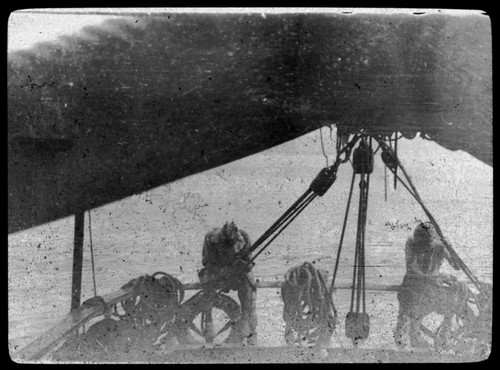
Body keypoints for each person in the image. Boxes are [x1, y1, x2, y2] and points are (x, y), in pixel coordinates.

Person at [198, 221, 258, 345]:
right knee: (206, 281)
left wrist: (238, 267)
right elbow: (206, 261)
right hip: (218, 272)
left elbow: (250, 263)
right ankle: (208, 324)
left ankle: (251, 334)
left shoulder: (244, 238)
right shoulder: (211, 238)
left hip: (238, 272)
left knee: (249, 296)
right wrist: (220, 271)